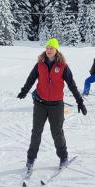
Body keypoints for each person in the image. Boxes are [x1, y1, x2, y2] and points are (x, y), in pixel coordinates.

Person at [17, 38, 86, 170]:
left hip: (56, 105)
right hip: (40, 103)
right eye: (47, 48)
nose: (49, 50)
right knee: (36, 132)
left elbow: (71, 84)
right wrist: (24, 91)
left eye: (51, 48)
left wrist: (80, 101)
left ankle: (63, 157)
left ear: (56, 50)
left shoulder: (63, 66)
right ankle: (30, 159)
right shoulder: (40, 64)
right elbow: (31, 79)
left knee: (57, 132)